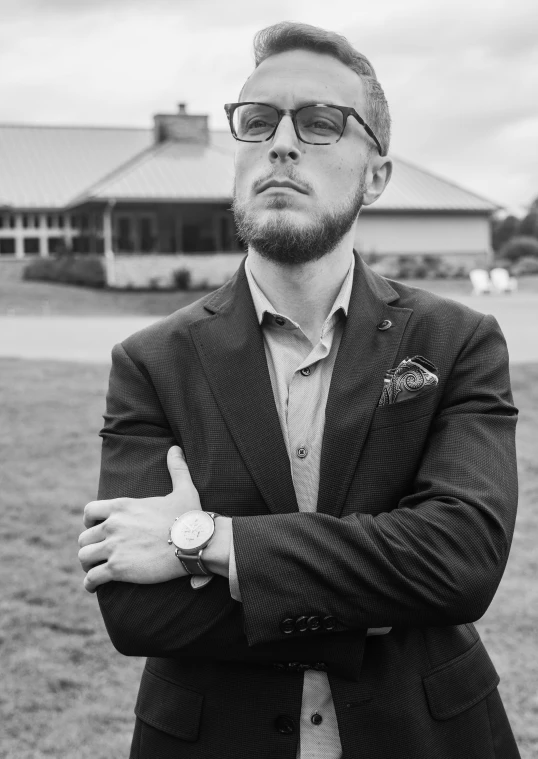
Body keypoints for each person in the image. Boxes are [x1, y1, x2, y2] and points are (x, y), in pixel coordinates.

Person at [77, 21, 521, 759]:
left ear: (376, 175)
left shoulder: (458, 341)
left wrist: (202, 541)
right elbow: (135, 609)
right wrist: (378, 602)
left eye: (319, 123)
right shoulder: (151, 360)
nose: (281, 142)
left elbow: (459, 561)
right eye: (258, 122)